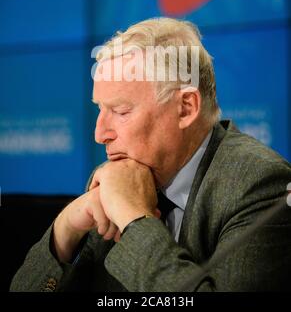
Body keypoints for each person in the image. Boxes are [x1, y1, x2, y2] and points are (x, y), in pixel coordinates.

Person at [10, 17, 291, 292]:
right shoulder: (117, 176)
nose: (100, 134)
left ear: (185, 108)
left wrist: (134, 220)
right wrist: (66, 227)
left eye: (121, 112)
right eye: (100, 109)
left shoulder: (260, 185)